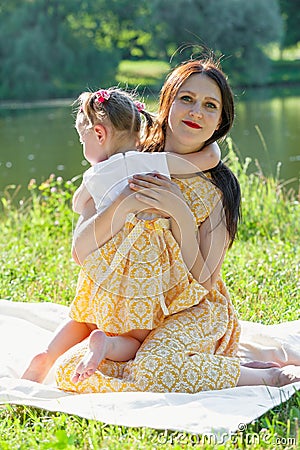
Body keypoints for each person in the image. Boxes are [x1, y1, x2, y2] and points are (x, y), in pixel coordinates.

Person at [54, 57, 300, 393]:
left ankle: (266, 376)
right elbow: (80, 250)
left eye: (209, 105)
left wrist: (179, 214)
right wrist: (126, 203)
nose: (196, 111)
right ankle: (206, 366)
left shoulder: (219, 187)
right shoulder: (129, 159)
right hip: (136, 316)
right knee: (70, 370)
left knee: (155, 369)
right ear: (167, 103)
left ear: (220, 122)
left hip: (193, 310)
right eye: (186, 99)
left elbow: (203, 279)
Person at [21, 85, 222, 384]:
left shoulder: (95, 174)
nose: (83, 146)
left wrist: (93, 192)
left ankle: (48, 354)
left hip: (107, 259)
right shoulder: (150, 162)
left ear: (100, 135)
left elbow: (78, 204)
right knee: (138, 334)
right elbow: (207, 160)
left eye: (82, 139)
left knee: (83, 316)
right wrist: (215, 145)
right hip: (146, 265)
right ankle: (109, 345)